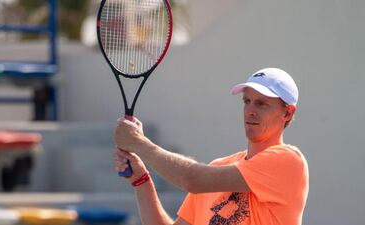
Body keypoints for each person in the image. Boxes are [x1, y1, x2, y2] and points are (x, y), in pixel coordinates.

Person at [114, 68, 309, 225]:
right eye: (247, 101)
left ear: (288, 113)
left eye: (261, 104)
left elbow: (192, 179)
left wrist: (138, 142)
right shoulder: (218, 167)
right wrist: (141, 180)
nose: (249, 111)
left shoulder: (289, 160)